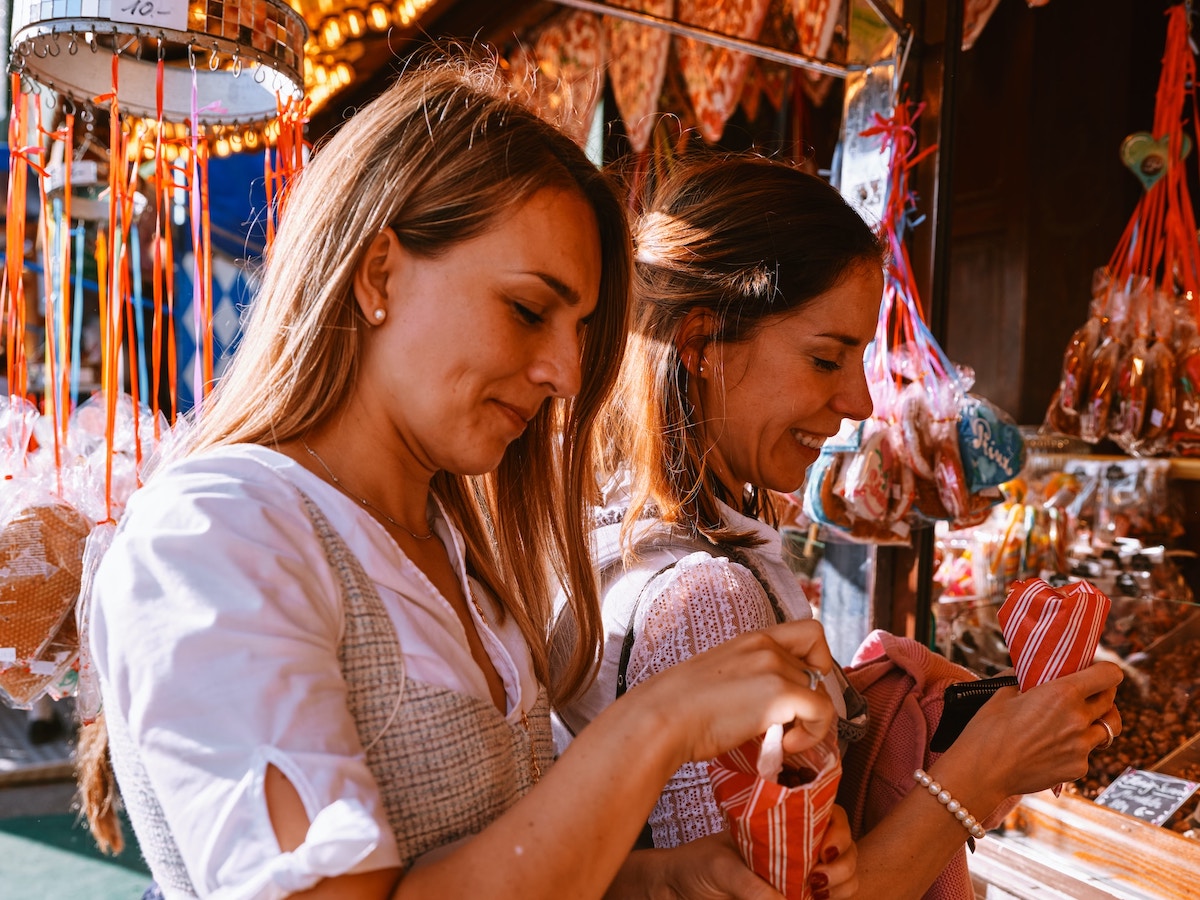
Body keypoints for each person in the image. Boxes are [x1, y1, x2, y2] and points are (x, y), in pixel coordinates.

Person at [83, 55, 855, 899]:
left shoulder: (455, 549)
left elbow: (500, 852)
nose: (565, 372)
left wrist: (658, 880)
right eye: (528, 310)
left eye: (580, 329)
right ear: (379, 273)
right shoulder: (217, 532)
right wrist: (656, 724)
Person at [553, 155, 1125, 899]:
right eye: (827, 357)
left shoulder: (605, 530)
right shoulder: (703, 600)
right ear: (699, 345)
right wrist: (980, 777)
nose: (859, 400)